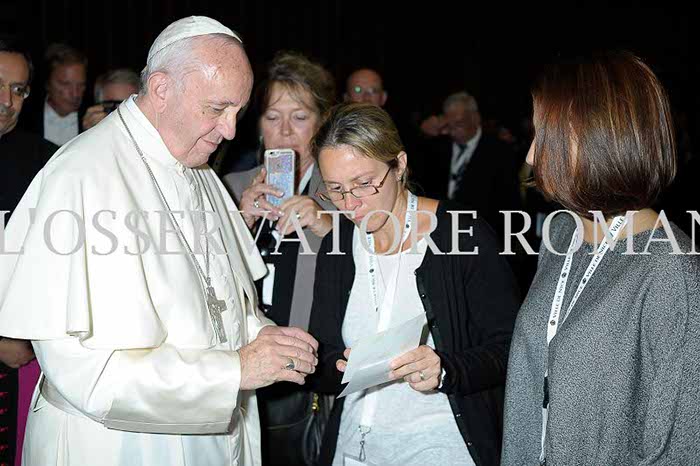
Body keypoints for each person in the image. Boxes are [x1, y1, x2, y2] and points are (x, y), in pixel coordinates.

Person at [0, 16, 318, 466]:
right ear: (163, 89)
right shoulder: (82, 176)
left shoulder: (198, 170)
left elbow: (224, 301)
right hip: (118, 446)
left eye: (238, 112)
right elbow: (85, 374)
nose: (230, 131)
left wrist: (265, 335)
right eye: (216, 109)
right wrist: (236, 369)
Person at [501, 51, 700, 465]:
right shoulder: (562, 233)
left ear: (600, 139)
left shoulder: (670, 271)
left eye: (546, 137)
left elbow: (679, 449)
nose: (532, 157)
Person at [308, 103, 520, 466]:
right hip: (354, 443)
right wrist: (334, 365)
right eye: (335, 190)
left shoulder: (461, 234)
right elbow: (323, 358)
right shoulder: (338, 244)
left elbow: (510, 350)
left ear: (400, 165)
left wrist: (445, 370)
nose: (351, 204)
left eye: (363, 184)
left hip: (439, 443)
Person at [223, 51, 336, 466]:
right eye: (272, 117)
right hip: (239, 367)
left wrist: (327, 224)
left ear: (321, 123)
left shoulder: (340, 192)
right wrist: (238, 220)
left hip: (309, 375)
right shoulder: (229, 188)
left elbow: (381, 259)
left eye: (300, 116)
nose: (285, 130)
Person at [0, 39, 58, 466]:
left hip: (25, 364)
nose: (7, 101)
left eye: (18, 91)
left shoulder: (46, 162)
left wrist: (29, 336)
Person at [414, 92, 521, 239]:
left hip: (483, 237)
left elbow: (510, 207)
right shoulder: (437, 148)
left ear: (475, 118)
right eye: (448, 124)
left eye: (459, 123)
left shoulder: (499, 152)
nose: (453, 130)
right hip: (440, 236)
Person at [23, 43, 87, 146]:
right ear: (47, 83)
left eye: (81, 85)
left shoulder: (94, 121)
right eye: (65, 84)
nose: (75, 94)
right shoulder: (24, 120)